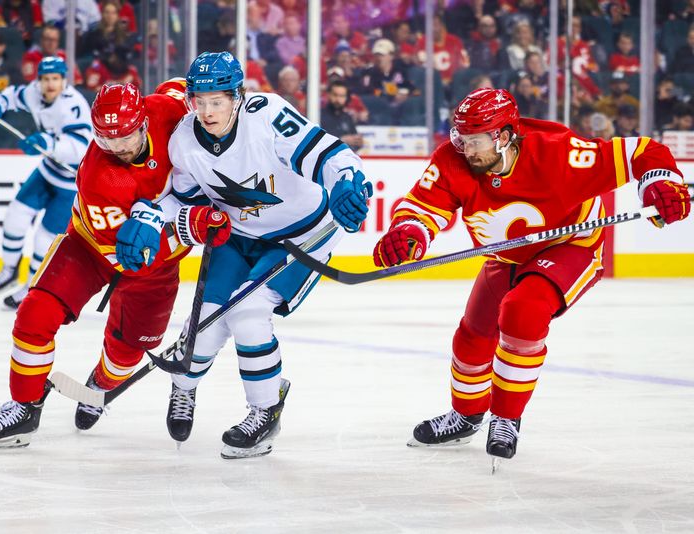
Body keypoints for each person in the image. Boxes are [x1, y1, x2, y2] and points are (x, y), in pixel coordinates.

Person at [372, 88, 690, 464]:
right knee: (472, 336)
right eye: (460, 138)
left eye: (474, 140)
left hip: (569, 246)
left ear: (503, 136)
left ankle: (506, 418)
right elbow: (424, 205)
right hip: (505, 257)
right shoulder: (453, 159)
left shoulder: (560, 154)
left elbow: (642, 151)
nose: (465, 149)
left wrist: (658, 182)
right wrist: (409, 232)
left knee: (523, 312)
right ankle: (466, 415)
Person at [0, 79, 231, 449]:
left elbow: (184, 88)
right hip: (93, 248)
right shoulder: (99, 174)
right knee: (35, 314)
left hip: (157, 269)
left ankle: (100, 385)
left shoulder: (169, 111)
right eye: (106, 140)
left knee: (125, 355)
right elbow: (130, 256)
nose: (118, 148)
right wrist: (195, 225)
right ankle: (24, 406)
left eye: (124, 138)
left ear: (143, 120)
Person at [160, 51, 372, 459]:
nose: (206, 112)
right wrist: (168, 219)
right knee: (204, 319)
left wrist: (347, 181)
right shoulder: (183, 141)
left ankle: (265, 410)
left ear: (237, 97)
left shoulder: (267, 115)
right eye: (198, 101)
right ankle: (184, 387)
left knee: (249, 313)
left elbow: (329, 155)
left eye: (217, 101)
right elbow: (183, 200)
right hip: (239, 233)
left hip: (303, 234)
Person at [0, 56, 92, 309]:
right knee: (15, 217)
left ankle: (31, 287)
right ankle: (9, 269)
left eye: (56, 79)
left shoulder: (74, 106)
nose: (50, 84)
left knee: (44, 240)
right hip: (48, 171)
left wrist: (48, 144)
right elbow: (12, 95)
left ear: (64, 80)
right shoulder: (34, 93)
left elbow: (82, 146)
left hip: (71, 183)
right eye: (46, 79)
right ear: (38, 81)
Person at [320, 79, 363, 152]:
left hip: (344, 160)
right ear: (328, 95)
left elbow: (354, 143)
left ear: (346, 98)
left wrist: (358, 142)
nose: (338, 99)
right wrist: (341, 140)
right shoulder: (318, 116)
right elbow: (316, 143)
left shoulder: (347, 118)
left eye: (342, 96)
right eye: (335, 95)